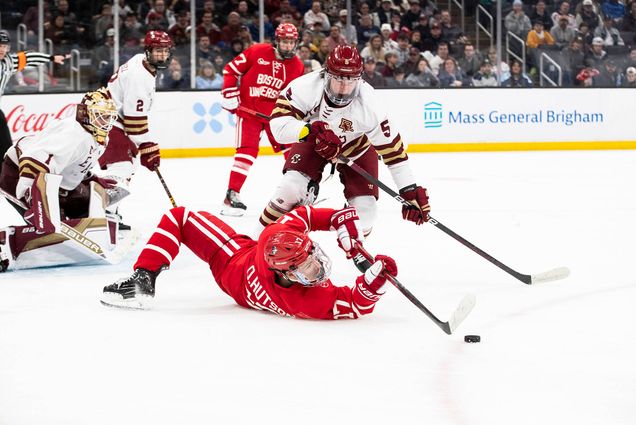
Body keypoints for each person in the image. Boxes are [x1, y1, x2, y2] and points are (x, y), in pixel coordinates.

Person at [255, 45, 431, 271]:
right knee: (289, 189)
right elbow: (278, 125)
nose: (345, 86)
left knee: (367, 211)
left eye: (351, 80)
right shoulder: (305, 87)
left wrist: (409, 191)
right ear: (326, 74)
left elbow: (394, 152)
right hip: (314, 143)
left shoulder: (371, 105)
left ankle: (355, 245)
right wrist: (309, 130)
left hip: (356, 148)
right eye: (339, 78)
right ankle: (254, 242)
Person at [101, 203, 398, 320]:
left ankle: (143, 278)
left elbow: (304, 216)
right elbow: (357, 304)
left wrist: (335, 218)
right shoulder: (305, 301)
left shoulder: (274, 236)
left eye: (313, 256)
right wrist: (373, 282)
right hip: (232, 259)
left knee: (179, 217)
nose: (317, 268)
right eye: (307, 268)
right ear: (289, 275)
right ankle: (143, 281)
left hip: (234, 260)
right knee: (180, 217)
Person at [0, 89, 119, 272]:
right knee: (48, 226)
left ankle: (82, 226)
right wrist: (30, 190)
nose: (105, 122)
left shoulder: (96, 136)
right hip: (18, 174)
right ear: (85, 113)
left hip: (48, 178)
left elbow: (70, 163)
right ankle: (4, 245)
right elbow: (36, 156)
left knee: (81, 202)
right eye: (100, 116)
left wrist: (91, 178)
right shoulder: (74, 133)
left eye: (108, 117)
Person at [219, 23, 304, 217]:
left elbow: (296, 95)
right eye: (284, 42)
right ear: (277, 41)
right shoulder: (257, 51)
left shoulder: (297, 65)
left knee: (293, 152)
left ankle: (295, 196)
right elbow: (230, 69)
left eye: (291, 42)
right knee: (247, 153)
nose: (288, 46)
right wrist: (229, 92)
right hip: (250, 112)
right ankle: (231, 196)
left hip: (276, 116)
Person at [98, 31, 173, 230]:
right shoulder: (139, 77)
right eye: (158, 51)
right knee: (121, 167)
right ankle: (103, 213)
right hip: (109, 121)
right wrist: (148, 146)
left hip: (111, 119)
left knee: (127, 166)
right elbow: (134, 122)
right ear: (148, 51)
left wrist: (146, 145)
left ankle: (109, 213)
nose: (162, 55)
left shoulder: (141, 61)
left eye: (165, 50)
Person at [0, 30, 68, 175]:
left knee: (5, 141)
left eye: (5, 46)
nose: (2, 49)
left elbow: (28, 57)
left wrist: (51, 58)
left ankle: (6, 171)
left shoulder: (8, 63)